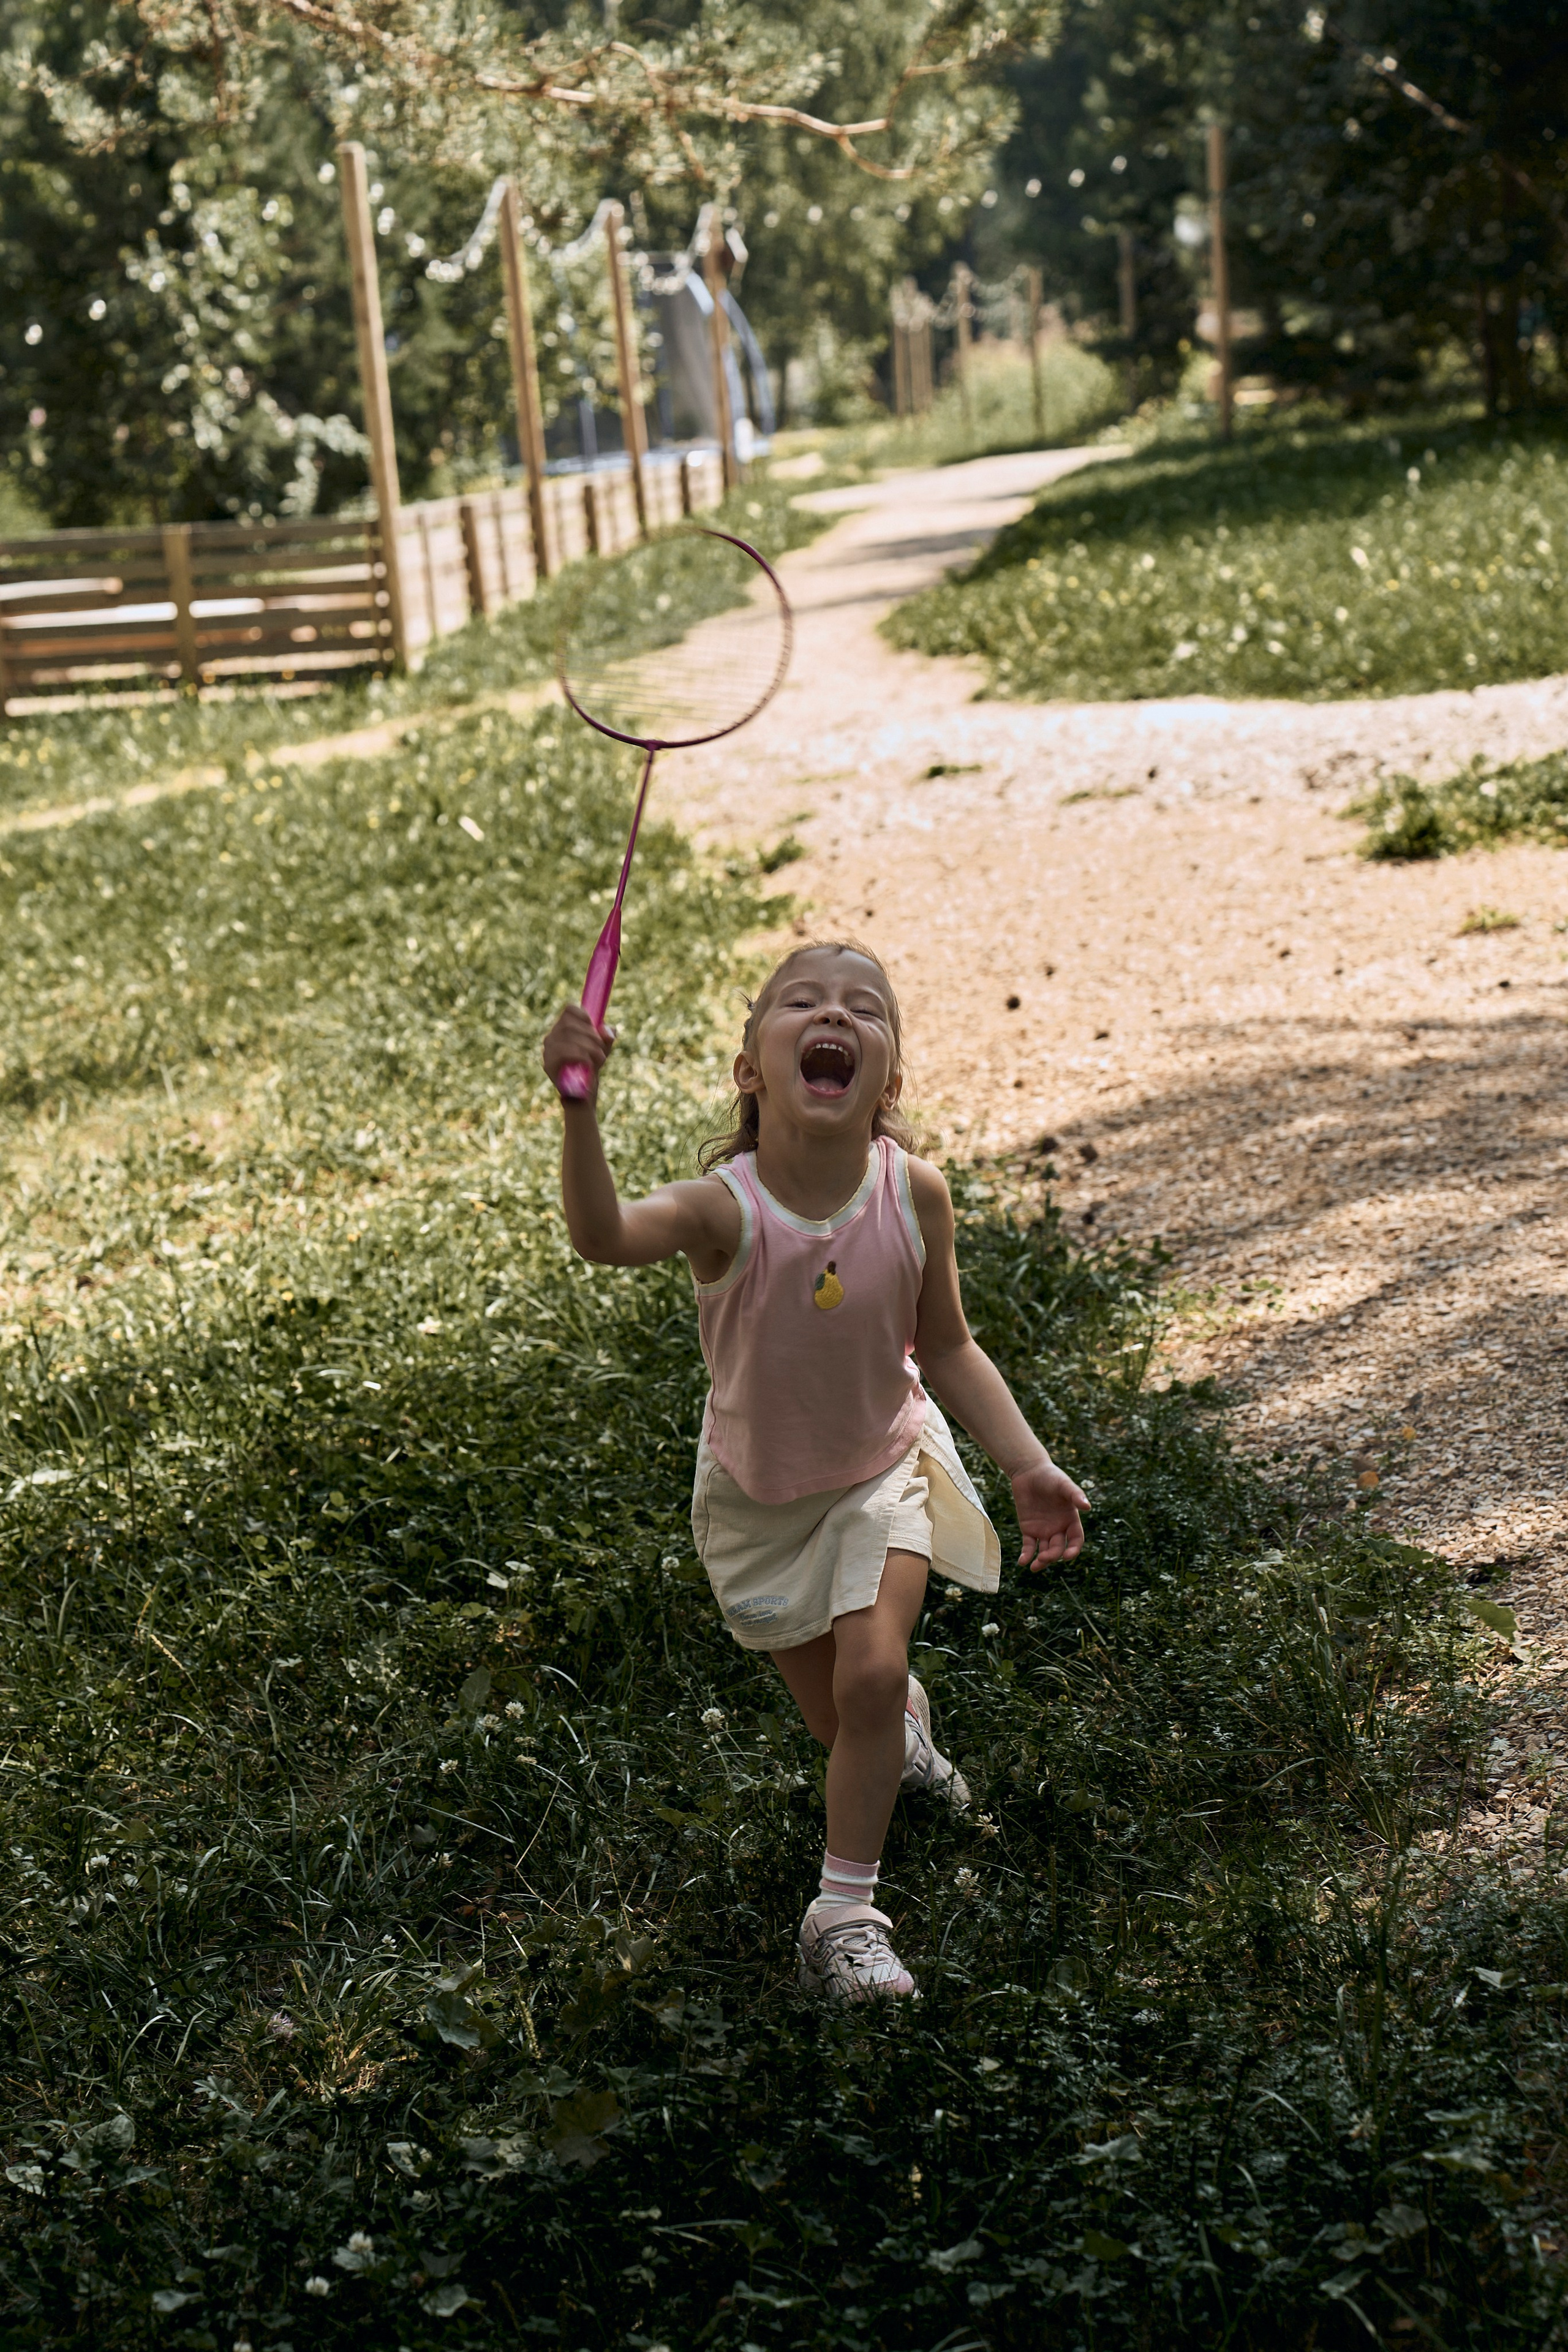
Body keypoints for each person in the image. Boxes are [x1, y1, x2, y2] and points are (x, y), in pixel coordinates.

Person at [541, 939, 1087, 2002]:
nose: (834, 1013)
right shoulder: (723, 1211)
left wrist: (1026, 1463)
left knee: (873, 1675)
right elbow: (602, 1236)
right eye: (800, 1001)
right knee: (853, 1726)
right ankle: (906, 1745)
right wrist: (578, 1112)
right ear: (753, 1066)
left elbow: (951, 1346)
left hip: (884, 1469)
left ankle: (843, 1914)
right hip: (760, 1503)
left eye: (864, 1008)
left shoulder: (911, 1193)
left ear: (889, 1076)